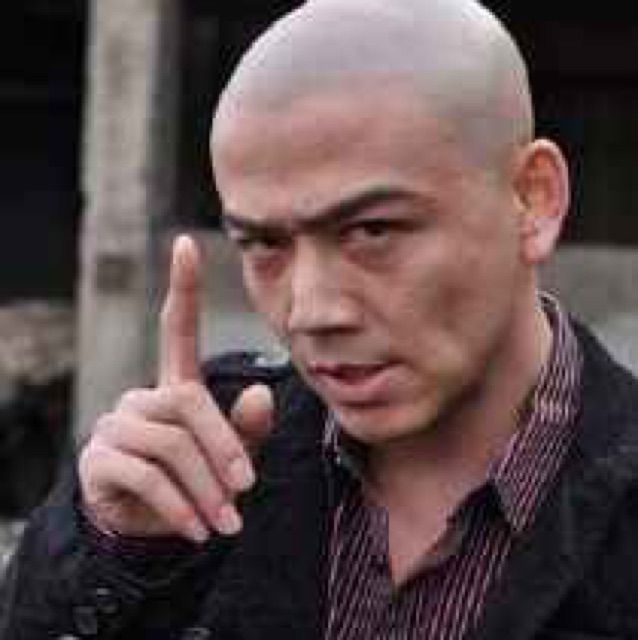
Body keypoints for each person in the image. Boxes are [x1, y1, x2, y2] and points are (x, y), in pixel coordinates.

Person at [3, 0, 638, 638]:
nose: (311, 311)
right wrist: (114, 562)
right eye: (263, 244)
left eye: (372, 230)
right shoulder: (198, 458)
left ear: (533, 198)